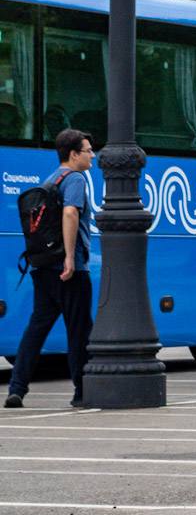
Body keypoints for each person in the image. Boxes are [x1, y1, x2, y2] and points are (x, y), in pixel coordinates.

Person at [7, 129, 95, 409]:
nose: (92, 155)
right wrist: (70, 258)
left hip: (41, 268)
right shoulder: (76, 179)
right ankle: (82, 391)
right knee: (78, 330)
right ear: (73, 154)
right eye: (88, 150)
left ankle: (17, 389)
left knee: (36, 328)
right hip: (69, 270)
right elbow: (70, 213)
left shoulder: (50, 180)